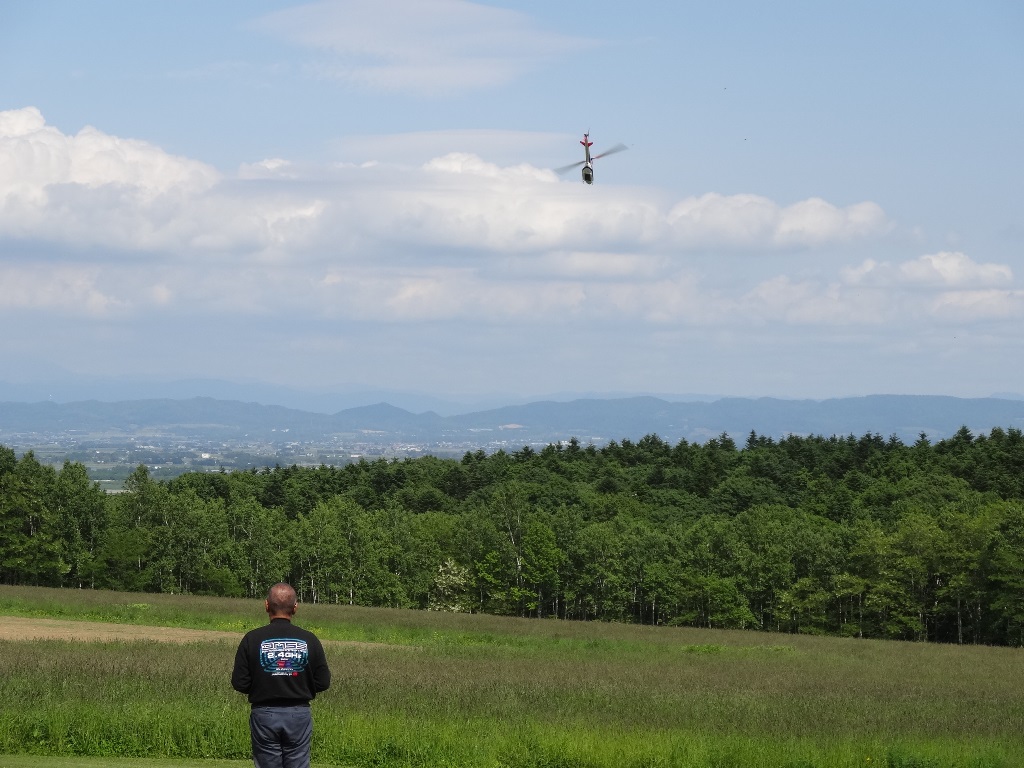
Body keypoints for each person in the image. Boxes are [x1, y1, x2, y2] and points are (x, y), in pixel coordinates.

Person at [232, 583, 332, 768]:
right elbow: (323, 682)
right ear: (295, 607)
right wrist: (300, 685)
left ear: (266, 605)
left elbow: (240, 682)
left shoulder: (252, 639)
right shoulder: (309, 639)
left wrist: (263, 684)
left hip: (264, 714)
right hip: (298, 713)